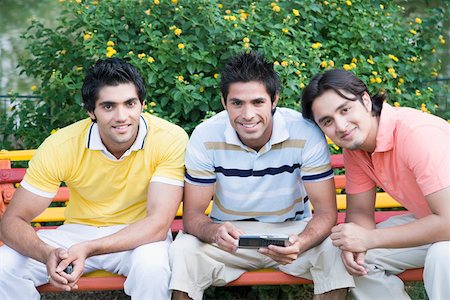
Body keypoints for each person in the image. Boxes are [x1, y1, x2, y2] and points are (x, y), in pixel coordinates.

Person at [169, 51, 354, 300]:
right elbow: (192, 216)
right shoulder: (205, 135)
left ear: (274, 99)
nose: (247, 115)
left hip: (293, 230)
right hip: (230, 235)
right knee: (183, 249)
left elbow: (326, 213)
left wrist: (300, 242)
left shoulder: (305, 131)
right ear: (224, 102)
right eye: (237, 103)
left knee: (334, 247)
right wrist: (214, 232)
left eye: (258, 102)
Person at [0, 58, 188, 299]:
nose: (122, 116)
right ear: (91, 111)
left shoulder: (169, 138)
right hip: (78, 232)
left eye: (130, 104)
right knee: (3, 267)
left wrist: (88, 249)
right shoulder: (61, 145)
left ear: (142, 104)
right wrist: (47, 253)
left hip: (139, 236)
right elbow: (12, 221)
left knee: (154, 268)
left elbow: (157, 225)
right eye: (108, 106)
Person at [301, 69, 450, 300]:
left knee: (443, 256)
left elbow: (449, 222)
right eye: (327, 121)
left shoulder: (417, 135)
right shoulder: (357, 149)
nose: (340, 126)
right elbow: (360, 212)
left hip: (445, 225)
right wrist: (355, 244)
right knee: (360, 259)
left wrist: (369, 239)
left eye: (345, 109)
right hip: (433, 221)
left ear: (366, 100)